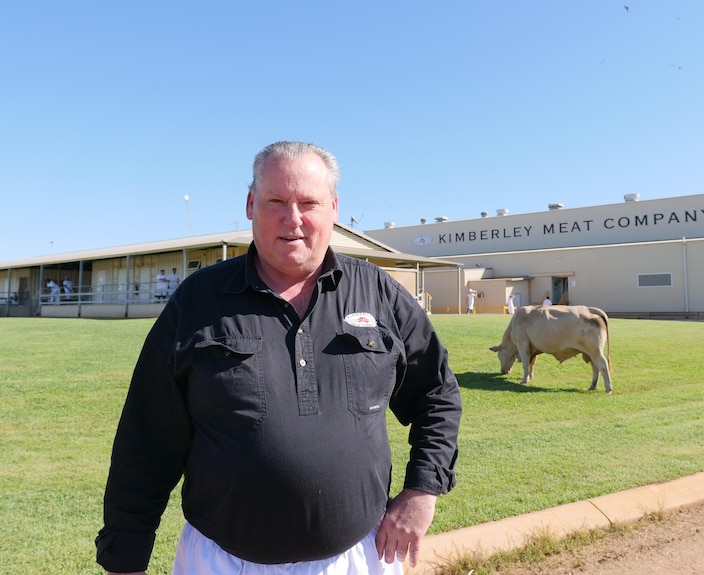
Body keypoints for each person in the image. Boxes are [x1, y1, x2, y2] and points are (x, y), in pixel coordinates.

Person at [96, 141, 462, 575]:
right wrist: (125, 558)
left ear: (334, 208)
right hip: (221, 561)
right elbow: (147, 436)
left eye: (309, 202)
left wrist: (422, 491)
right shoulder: (199, 301)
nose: (293, 219)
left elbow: (437, 395)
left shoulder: (379, 294)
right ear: (251, 204)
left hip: (357, 560)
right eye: (276, 201)